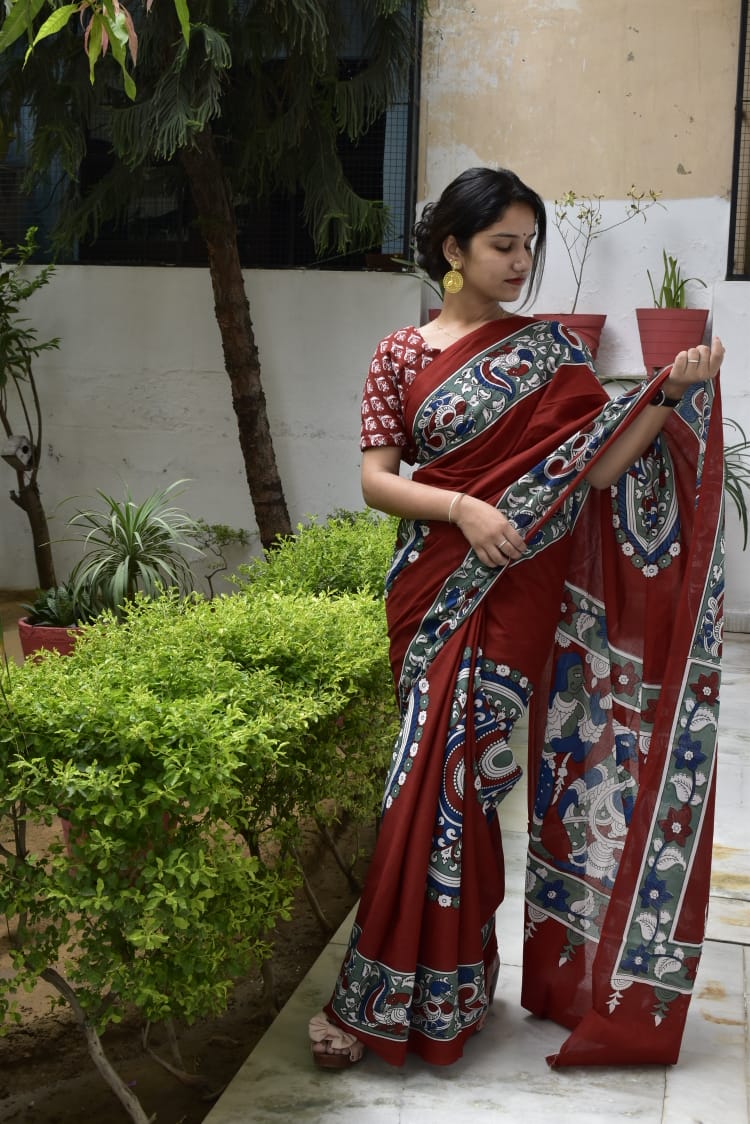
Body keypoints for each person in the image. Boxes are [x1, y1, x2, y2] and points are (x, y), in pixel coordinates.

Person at [308, 167, 725, 1070]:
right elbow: (378, 480)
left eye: (528, 245)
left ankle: (444, 988)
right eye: (503, 245)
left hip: (515, 601)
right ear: (452, 251)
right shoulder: (400, 355)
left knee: (466, 788)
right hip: (433, 589)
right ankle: (388, 988)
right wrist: (461, 510)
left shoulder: (547, 353)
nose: (521, 262)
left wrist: (667, 392)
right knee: (415, 787)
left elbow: (601, 468)